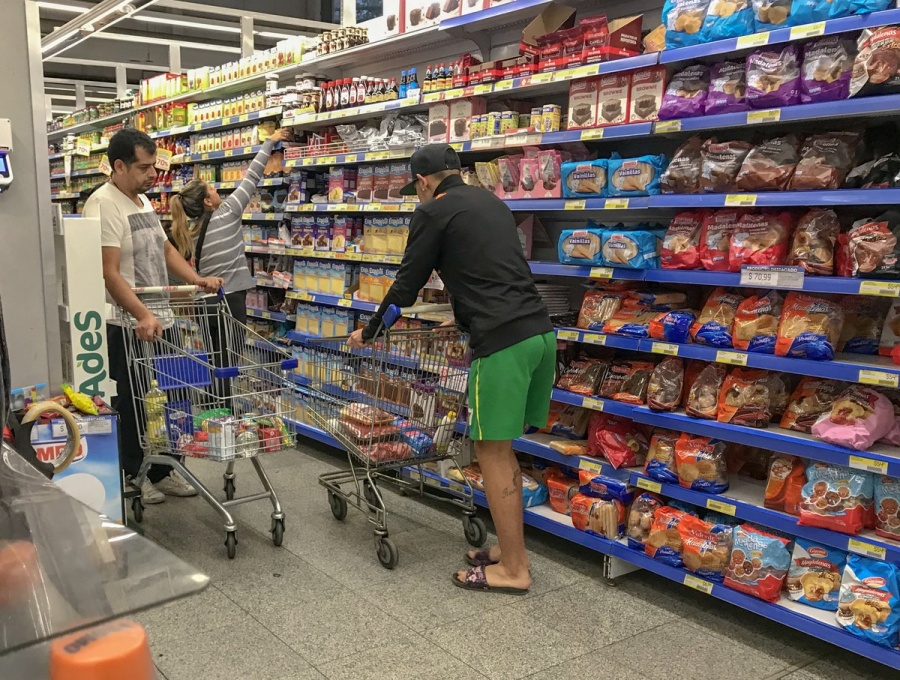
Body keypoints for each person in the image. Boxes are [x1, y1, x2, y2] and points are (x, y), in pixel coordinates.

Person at [348, 145, 555, 594]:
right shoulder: (491, 202)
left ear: (424, 182)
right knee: (503, 449)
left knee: (491, 452)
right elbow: (490, 271)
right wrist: (463, 317)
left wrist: (370, 331)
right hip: (539, 336)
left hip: (502, 344)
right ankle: (509, 552)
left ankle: (514, 570)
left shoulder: (432, 212)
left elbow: (406, 287)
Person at [84, 128, 223, 505]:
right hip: (128, 323)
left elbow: (165, 250)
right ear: (119, 166)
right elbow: (109, 272)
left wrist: (196, 279)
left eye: (154, 167)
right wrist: (142, 314)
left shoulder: (142, 201)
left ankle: (164, 469)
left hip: (161, 317)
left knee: (174, 396)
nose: (153, 175)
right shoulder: (104, 205)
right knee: (133, 402)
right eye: (144, 168)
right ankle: (134, 472)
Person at [168, 128, 291, 322]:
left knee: (213, 343)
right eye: (211, 189)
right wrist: (270, 141)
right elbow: (252, 176)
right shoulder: (228, 212)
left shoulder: (187, 231)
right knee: (232, 343)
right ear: (207, 201)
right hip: (229, 298)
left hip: (203, 302)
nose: (216, 190)